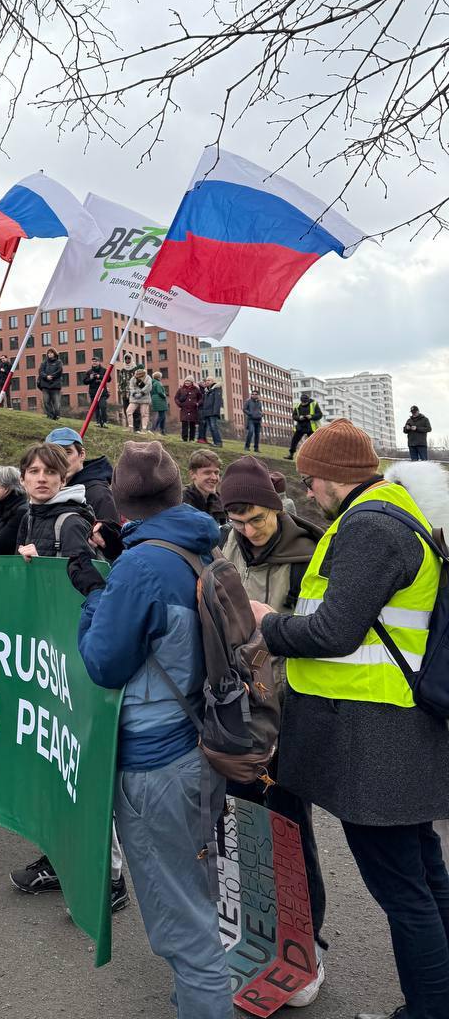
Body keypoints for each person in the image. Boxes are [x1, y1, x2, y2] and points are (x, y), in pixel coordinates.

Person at [253, 421, 449, 1019]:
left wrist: (267, 623)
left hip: (376, 738)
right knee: (424, 877)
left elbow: (334, 632)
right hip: (393, 728)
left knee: (403, 892)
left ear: (335, 477)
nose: (308, 489)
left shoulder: (370, 526)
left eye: (311, 477)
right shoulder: (394, 517)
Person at [73, 440, 232, 1018]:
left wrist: (95, 598)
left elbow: (103, 662)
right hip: (198, 742)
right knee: (194, 890)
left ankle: (204, 1004)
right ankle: (198, 996)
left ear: (119, 502)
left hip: (153, 762)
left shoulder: (140, 566)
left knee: (179, 920)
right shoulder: (198, 544)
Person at [219, 456, 329, 1006]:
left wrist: (272, 625)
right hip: (239, 713)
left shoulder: (311, 553)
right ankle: (256, 939)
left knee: (290, 830)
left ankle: (306, 947)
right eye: (236, 520)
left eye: (255, 518)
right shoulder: (228, 548)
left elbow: (325, 637)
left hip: (289, 713)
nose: (247, 530)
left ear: (276, 506)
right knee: (243, 828)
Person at [9, 441, 128, 911]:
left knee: (85, 766)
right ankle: (60, 857)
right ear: (23, 479)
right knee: (54, 764)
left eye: (49, 472)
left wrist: (52, 568)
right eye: (32, 471)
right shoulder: (28, 516)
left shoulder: (71, 520)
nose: (40, 478)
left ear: (63, 479)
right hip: (45, 660)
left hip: (74, 663)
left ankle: (110, 877)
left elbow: (94, 584)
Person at [46, 426, 119, 524]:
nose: (61, 460)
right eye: (54, 454)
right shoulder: (47, 490)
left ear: (82, 454)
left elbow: (111, 536)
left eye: (67, 452)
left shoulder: (98, 494)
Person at [182, 449, 227, 526]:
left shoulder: (220, 501)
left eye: (216, 473)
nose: (214, 478)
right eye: (207, 472)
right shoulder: (180, 502)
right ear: (192, 474)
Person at [288, 391, 323, 459]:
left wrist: (311, 416)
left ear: (308, 400)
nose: (303, 404)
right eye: (302, 402)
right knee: (294, 440)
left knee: (313, 443)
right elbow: (294, 416)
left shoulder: (314, 404)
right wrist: (299, 418)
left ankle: (315, 457)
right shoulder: (297, 405)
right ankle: (291, 455)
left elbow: (320, 415)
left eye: (305, 402)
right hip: (300, 426)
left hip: (311, 427)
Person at [37, 348, 64, 420]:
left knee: (56, 403)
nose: (50, 354)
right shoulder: (44, 363)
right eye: (48, 353)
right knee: (46, 402)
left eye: (51, 353)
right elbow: (40, 372)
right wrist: (46, 376)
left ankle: (57, 416)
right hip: (45, 385)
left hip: (55, 385)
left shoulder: (59, 362)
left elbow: (59, 371)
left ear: (54, 354)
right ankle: (50, 415)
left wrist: (51, 376)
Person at [82, 360, 110, 427]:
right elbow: (85, 382)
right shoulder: (89, 372)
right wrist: (91, 378)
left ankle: (104, 422)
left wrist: (99, 376)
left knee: (103, 406)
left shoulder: (104, 370)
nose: (94, 362)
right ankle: (98, 422)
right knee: (95, 408)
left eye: (96, 361)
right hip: (93, 393)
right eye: (93, 361)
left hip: (102, 393)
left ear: (99, 362)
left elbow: (109, 379)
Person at [174, 375, 202, 442]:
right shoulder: (181, 389)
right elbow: (176, 398)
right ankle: (184, 438)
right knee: (184, 424)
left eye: (188, 381)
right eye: (186, 381)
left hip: (193, 409)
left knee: (192, 425)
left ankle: (192, 439)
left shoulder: (196, 389)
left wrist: (197, 403)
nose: (186, 382)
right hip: (184, 409)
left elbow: (201, 398)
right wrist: (180, 404)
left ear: (192, 382)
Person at [197, 377, 224, 446]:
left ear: (213, 381)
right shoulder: (207, 390)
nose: (207, 382)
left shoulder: (217, 389)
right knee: (211, 428)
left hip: (213, 412)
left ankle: (218, 442)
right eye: (206, 381)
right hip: (207, 413)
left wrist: (215, 412)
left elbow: (217, 402)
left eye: (209, 380)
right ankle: (216, 442)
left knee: (214, 427)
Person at [125, 368, 152, 433]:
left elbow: (148, 386)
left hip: (144, 397)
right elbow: (131, 386)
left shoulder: (148, 378)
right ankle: (130, 427)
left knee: (144, 414)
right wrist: (134, 393)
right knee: (129, 411)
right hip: (134, 398)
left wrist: (142, 393)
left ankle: (144, 429)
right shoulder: (133, 378)